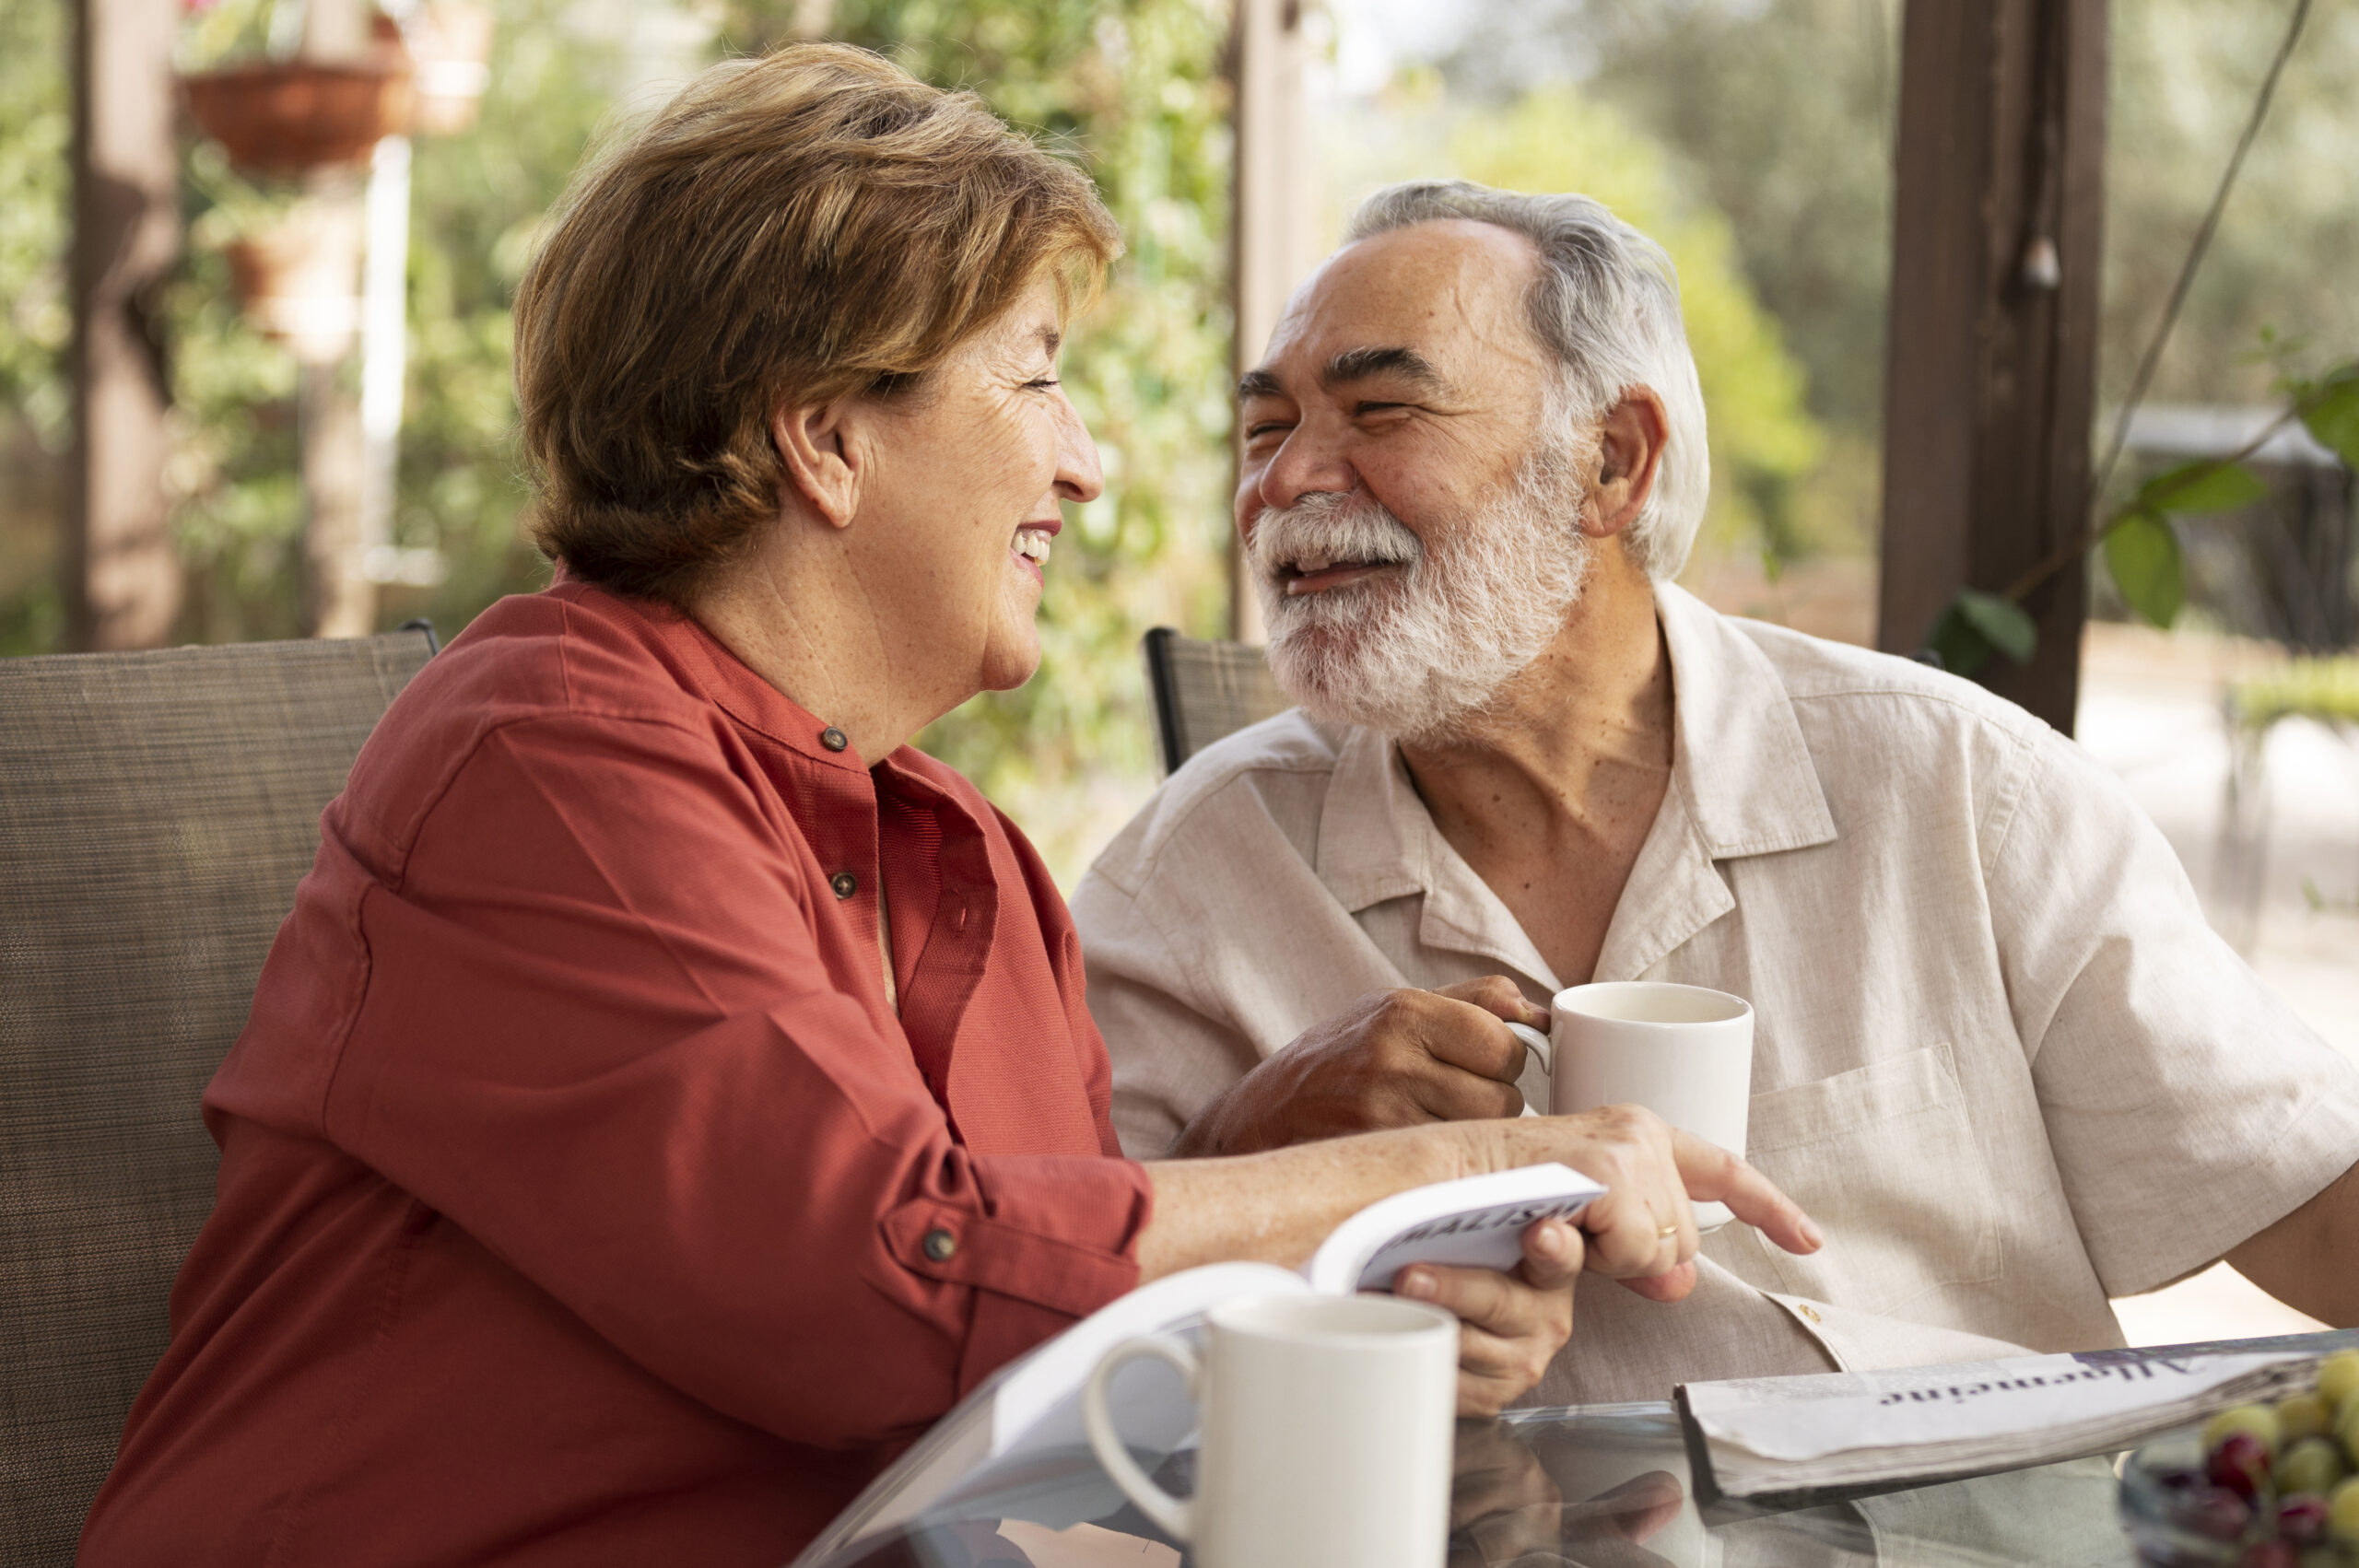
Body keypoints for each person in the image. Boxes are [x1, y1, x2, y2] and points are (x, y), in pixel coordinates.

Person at [76, 57, 1821, 1568]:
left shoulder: (951, 845)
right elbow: (879, 1281)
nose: (1089, 458)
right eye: (1036, 374)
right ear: (828, 439)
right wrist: (1486, 1158)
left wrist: (1342, 1232)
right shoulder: (540, 756)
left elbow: (1026, 1316)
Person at [1075, 180, 2359, 1407]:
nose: (1288, 480)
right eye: (1265, 428)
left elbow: (2309, 1202)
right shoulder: (1192, 876)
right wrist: (1257, 1145)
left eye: (1380, 414)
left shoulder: (1961, 792)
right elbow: (1029, 1309)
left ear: (1610, 464)